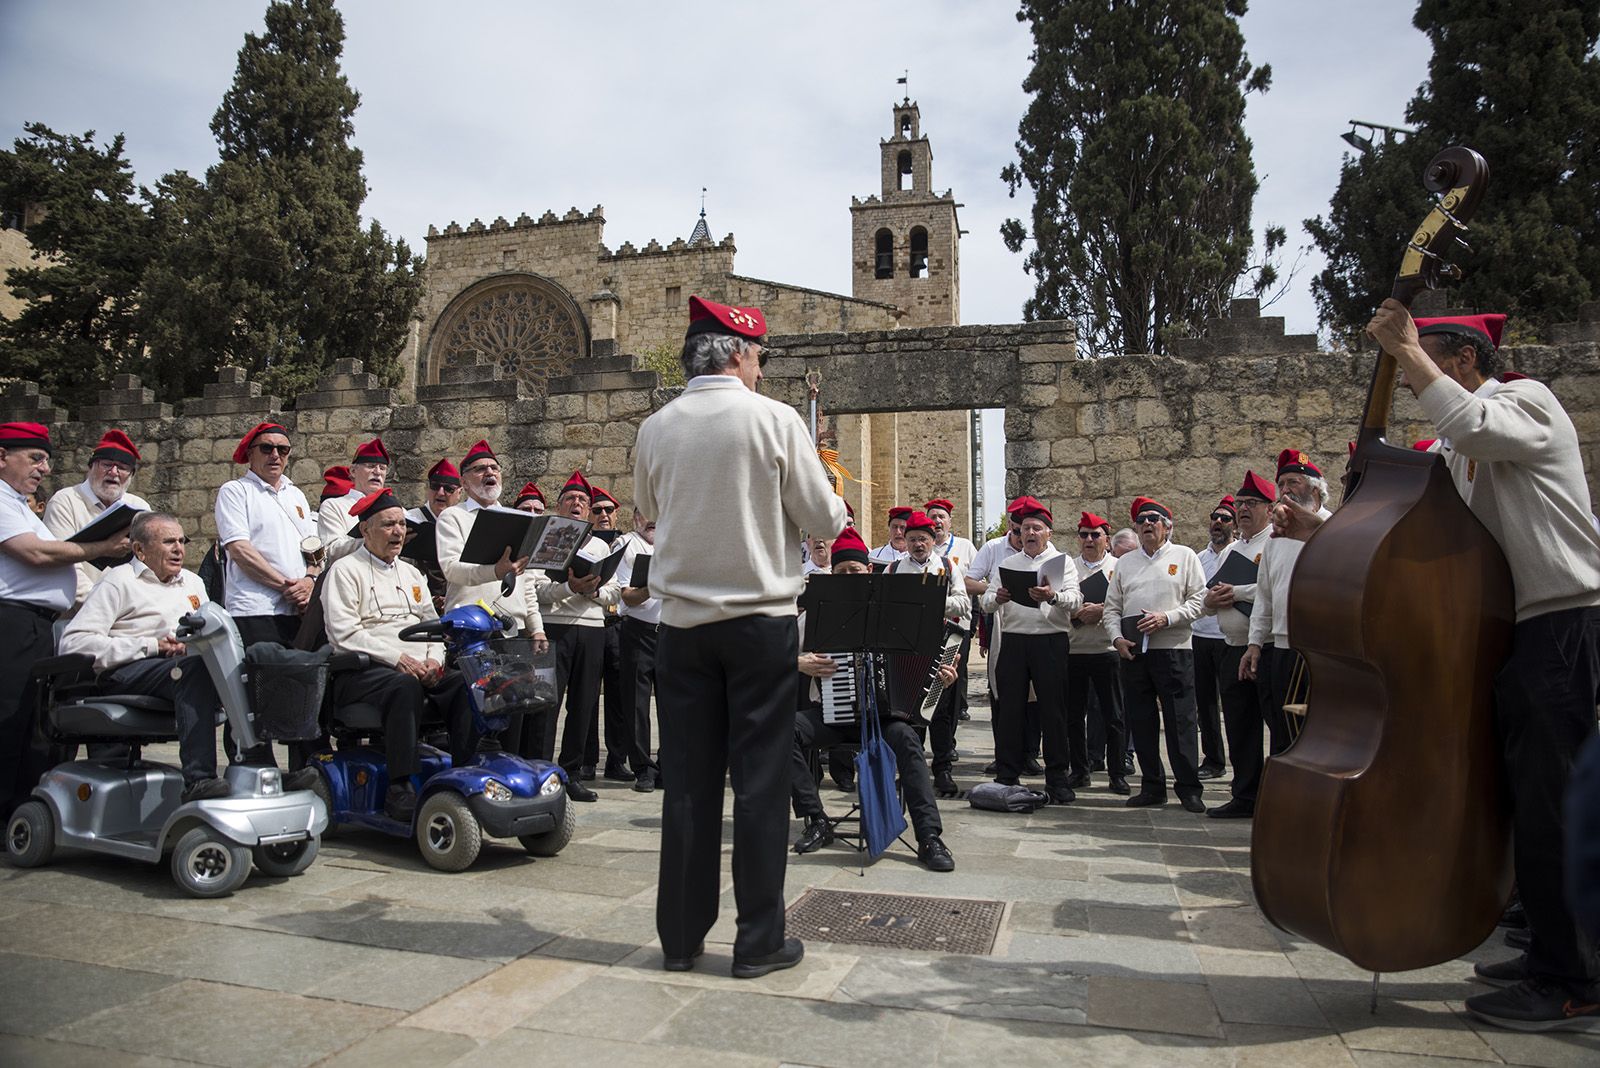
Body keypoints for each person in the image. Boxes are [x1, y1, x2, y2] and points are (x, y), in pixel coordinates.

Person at [1366, 304, 1600, 1032]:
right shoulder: (1463, 442)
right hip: (1521, 628)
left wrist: (1409, 350)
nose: (1410, 381)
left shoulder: (1524, 401)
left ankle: (1573, 980)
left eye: (1423, 361)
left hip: (1564, 615)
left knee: (1553, 800)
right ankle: (1549, 953)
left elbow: (1468, 425)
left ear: (1463, 358)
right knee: (1526, 799)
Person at [635, 294, 846, 979]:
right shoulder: (777, 421)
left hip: (684, 626)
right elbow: (824, 521)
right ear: (737, 352)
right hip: (760, 623)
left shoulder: (656, 427)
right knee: (758, 785)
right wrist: (835, 497)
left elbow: (648, 510)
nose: (761, 371)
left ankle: (680, 938)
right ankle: (757, 942)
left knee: (689, 787)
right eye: (759, 358)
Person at [790, 526, 956, 871]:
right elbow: (776, 656)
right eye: (841, 572)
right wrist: (801, 663)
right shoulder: (814, 615)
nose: (849, 577)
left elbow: (929, 665)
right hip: (832, 715)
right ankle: (816, 818)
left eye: (855, 570)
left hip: (885, 719)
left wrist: (942, 679)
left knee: (909, 742)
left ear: (869, 570)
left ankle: (929, 836)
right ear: (831, 575)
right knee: (781, 731)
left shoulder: (896, 614)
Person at [0, 422, 130, 817]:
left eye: (47, 461)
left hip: (36, 624)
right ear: (3, 457)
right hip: (12, 621)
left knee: (33, 722)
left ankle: (18, 812)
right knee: (8, 717)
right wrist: (101, 547)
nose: (44, 469)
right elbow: (35, 554)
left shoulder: (19, 505)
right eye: (35, 458)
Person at [322, 489, 475, 821]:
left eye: (402, 525)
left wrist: (434, 659)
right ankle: (399, 785)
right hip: (364, 671)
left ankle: (464, 771)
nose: (398, 532)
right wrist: (398, 659)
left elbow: (432, 625)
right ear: (365, 530)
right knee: (404, 687)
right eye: (388, 525)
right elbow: (343, 633)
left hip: (418, 665)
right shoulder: (345, 570)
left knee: (465, 684)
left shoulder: (411, 573)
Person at [59, 512, 230, 801]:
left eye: (181, 541)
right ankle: (199, 781)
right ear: (139, 550)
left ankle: (254, 767)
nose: (179, 549)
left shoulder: (192, 583)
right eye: (168, 542)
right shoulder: (118, 581)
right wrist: (152, 646)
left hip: (178, 668)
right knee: (193, 670)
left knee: (245, 665)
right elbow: (74, 643)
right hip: (127, 670)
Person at [212, 422, 320, 784]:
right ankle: (249, 766)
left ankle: (303, 771)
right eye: (267, 448)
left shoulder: (297, 497)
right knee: (251, 694)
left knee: (295, 691)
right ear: (250, 452)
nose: (276, 455)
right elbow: (240, 550)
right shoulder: (235, 491)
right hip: (254, 607)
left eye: (283, 449)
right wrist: (285, 585)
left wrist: (308, 581)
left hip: (294, 609)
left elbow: (314, 550)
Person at [433, 440, 549, 753]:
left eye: (494, 468)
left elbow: (524, 580)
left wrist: (535, 626)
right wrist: (494, 571)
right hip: (471, 633)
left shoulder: (518, 518)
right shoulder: (453, 518)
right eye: (481, 469)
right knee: (475, 715)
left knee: (513, 712)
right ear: (464, 480)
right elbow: (451, 568)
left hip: (511, 630)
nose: (489, 473)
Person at [1104, 496, 1208, 813]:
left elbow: (1200, 601)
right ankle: (1152, 786)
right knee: (1141, 719)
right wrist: (1117, 638)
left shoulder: (1185, 557)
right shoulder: (1125, 563)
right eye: (1142, 520)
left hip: (1173, 652)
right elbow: (1111, 609)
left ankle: (1189, 788)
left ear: (1167, 526)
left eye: (1154, 519)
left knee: (1181, 721)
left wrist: (1168, 618)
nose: (1147, 524)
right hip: (1135, 653)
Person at [977, 497, 1081, 801]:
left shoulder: (1063, 562)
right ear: (1019, 533)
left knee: (1053, 710)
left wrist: (1053, 595)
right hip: (1014, 640)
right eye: (1025, 529)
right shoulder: (1007, 563)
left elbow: (1075, 601)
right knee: (1010, 709)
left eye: (1037, 528)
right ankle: (1007, 772)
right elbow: (985, 602)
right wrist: (999, 597)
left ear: (1049, 532)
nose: (1030, 534)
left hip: (1050, 640)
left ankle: (1058, 777)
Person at [1241, 449, 1333, 758]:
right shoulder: (1275, 539)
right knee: (1282, 731)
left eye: (1293, 482)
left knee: (1316, 732)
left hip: (1321, 649)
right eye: (1281, 484)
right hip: (1281, 646)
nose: (1285, 490)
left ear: (1315, 488)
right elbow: (1265, 596)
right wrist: (1254, 644)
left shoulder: (1336, 531)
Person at [535, 470, 619, 800]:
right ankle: (542, 772)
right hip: (556, 626)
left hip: (592, 627)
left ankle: (571, 772)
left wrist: (592, 593)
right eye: (570, 499)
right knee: (547, 703)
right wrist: (569, 587)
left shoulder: (601, 545)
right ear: (558, 507)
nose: (577, 504)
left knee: (584, 703)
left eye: (583, 501)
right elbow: (539, 589)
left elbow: (614, 592)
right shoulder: (547, 538)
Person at [1203, 472, 1275, 819]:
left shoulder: (1276, 541)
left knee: (1276, 726)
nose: (1243, 510)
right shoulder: (1231, 549)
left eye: (1251, 504)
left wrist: (1238, 592)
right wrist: (1211, 597)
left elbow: (1273, 589)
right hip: (1232, 645)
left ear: (1269, 509)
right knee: (1240, 726)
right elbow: (1209, 594)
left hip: (1268, 647)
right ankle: (1245, 795)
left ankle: (1277, 796)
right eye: (1240, 504)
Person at [891, 509, 973, 796]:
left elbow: (963, 604)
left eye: (923, 539)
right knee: (910, 709)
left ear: (932, 539)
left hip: (942, 642)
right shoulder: (894, 569)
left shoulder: (948, 567)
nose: (917, 544)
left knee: (942, 709)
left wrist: (932, 603)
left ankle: (943, 769)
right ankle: (912, 770)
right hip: (908, 647)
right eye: (912, 539)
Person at [41, 429, 151, 611]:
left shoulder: (139, 507)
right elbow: (64, 564)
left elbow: (148, 563)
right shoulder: (65, 501)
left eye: (122, 468)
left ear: (131, 475)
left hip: (128, 611)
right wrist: (103, 609)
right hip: (78, 613)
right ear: (91, 467)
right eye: (107, 464)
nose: (114, 472)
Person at [1067, 510, 1129, 794]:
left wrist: (1102, 611)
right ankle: (1079, 770)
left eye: (1095, 535)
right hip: (1074, 650)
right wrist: (1077, 613)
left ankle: (1117, 773)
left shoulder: (1121, 566)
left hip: (1107, 650)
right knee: (1073, 715)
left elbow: (1129, 604)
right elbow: (1054, 603)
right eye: (1084, 535)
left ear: (1107, 538)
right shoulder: (1068, 567)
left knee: (1113, 715)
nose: (1089, 540)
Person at [584, 483, 632, 782]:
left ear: (617, 515)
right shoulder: (585, 543)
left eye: (608, 510)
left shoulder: (625, 544)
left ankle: (617, 758)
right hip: (591, 622)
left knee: (618, 696)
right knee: (587, 695)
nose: (603, 515)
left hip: (616, 626)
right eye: (597, 510)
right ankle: (587, 759)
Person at [1191, 496, 1237, 780]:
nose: (1218, 522)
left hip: (1228, 638)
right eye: (1215, 517)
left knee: (1233, 702)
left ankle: (1240, 759)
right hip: (1201, 636)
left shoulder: (1239, 554)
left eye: (1225, 518)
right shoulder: (1199, 558)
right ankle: (1213, 759)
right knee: (1205, 703)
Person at [617, 507, 662, 791]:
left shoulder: (674, 544)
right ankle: (643, 768)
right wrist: (653, 586)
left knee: (674, 703)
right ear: (636, 518)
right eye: (647, 514)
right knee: (636, 703)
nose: (653, 520)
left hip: (672, 631)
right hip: (639, 631)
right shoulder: (627, 545)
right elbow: (628, 597)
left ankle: (669, 766)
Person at [402, 459, 461, 613]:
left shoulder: (464, 522)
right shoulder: (409, 520)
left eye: (448, 489)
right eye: (435, 487)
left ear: (459, 493)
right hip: (417, 599)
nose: (440, 493)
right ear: (428, 490)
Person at [318, 437, 389, 564]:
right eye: (371, 466)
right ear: (353, 471)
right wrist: (374, 540)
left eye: (382, 468)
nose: (378, 472)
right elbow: (330, 551)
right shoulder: (334, 506)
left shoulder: (395, 510)